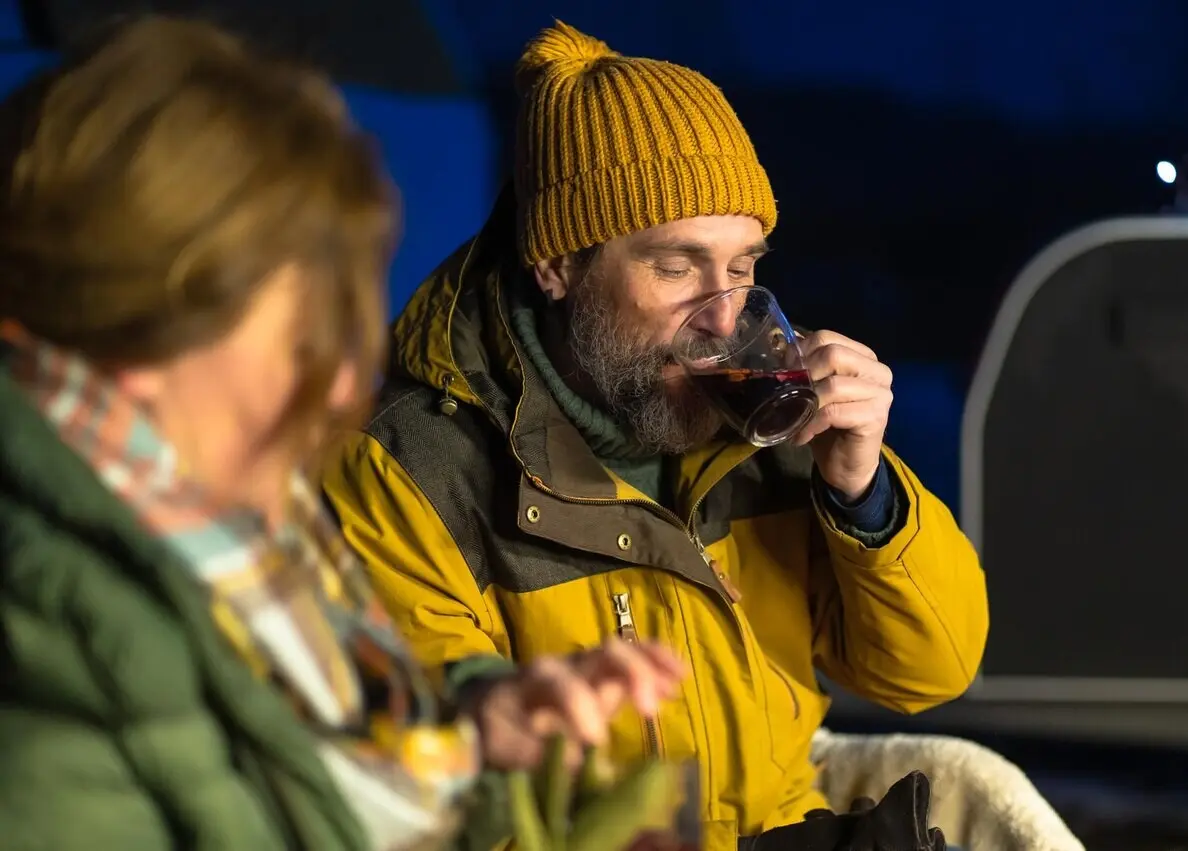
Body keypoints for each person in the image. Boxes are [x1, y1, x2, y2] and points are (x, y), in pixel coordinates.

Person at [0, 18, 684, 851]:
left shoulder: (237, 531)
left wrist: (477, 727)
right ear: (143, 333)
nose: (340, 390)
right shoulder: (45, 663)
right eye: (303, 343)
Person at [321, 20, 988, 851]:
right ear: (558, 266)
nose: (724, 317)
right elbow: (433, 804)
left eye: (742, 267)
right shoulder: (412, 470)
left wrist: (864, 493)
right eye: (676, 266)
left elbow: (929, 670)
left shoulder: (768, 426)